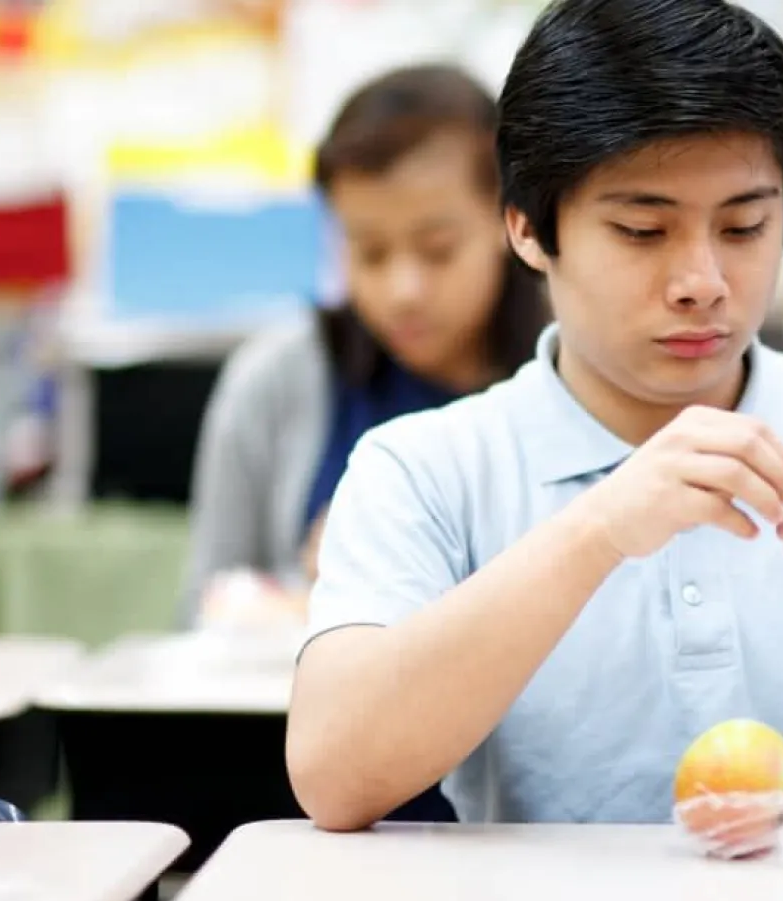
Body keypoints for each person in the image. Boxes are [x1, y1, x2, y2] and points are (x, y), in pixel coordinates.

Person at [288, 0, 783, 831]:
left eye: (744, 225)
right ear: (525, 228)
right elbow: (334, 777)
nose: (702, 278)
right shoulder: (425, 466)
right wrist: (596, 531)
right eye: (641, 230)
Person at [181, 64, 545, 625]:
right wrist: (313, 596)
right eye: (369, 253)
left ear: (510, 221)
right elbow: (207, 606)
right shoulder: (275, 381)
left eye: (438, 250)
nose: (403, 291)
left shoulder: (578, 371)